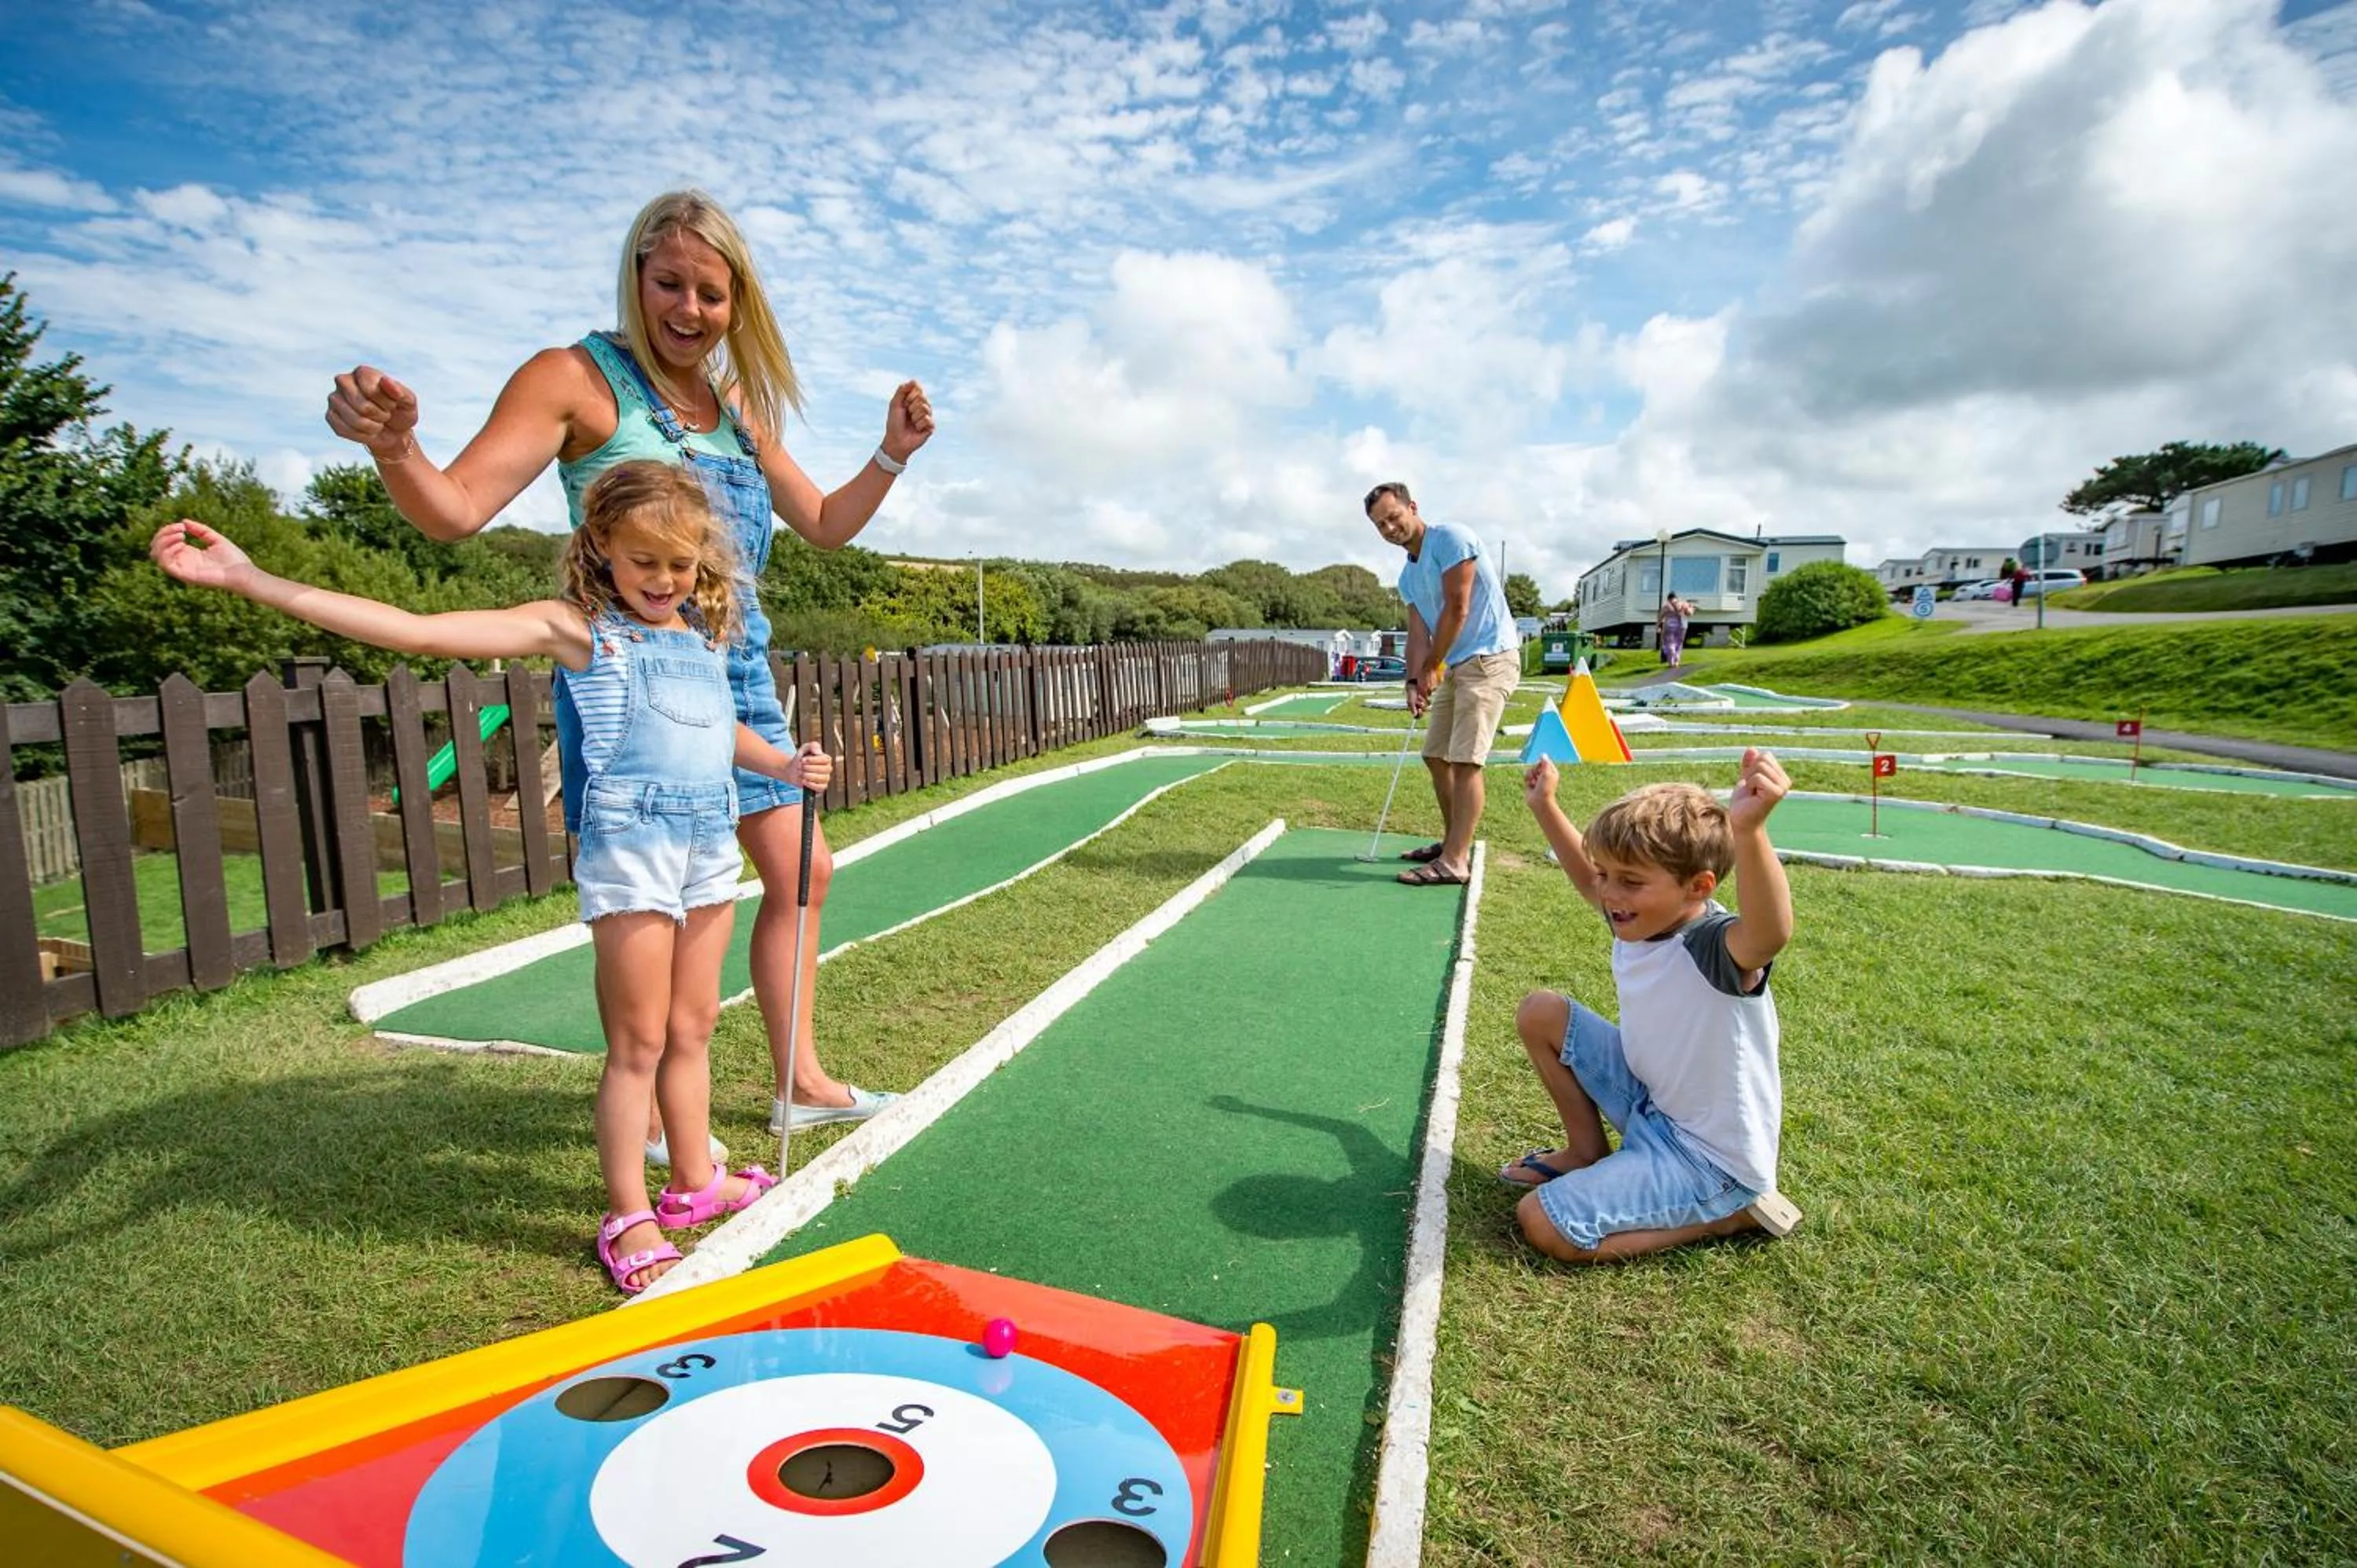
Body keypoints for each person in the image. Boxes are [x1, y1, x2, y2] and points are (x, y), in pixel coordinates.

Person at [324, 189, 929, 1160]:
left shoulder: (733, 405)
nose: (689, 310)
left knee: (802, 868)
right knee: (658, 895)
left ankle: (800, 1083)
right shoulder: (572, 379)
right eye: (670, 284)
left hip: (736, 669)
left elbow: (823, 521)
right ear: (636, 276)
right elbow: (452, 509)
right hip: (643, 682)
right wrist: (397, 448)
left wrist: (889, 457)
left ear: (740, 305)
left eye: (712, 294)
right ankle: (647, 1105)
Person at [152, 461, 836, 1294]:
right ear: (603, 551)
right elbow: (418, 630)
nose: (664, 579)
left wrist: (783, 761)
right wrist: (252, 579)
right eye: (644, 560)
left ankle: (694, 1183)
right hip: (635, 853)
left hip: (705, 851)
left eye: (682, 562)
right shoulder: (575, 629)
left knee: (694, 1025)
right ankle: (629, 1211)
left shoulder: (696, 636)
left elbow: (719, 728)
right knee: (640, 1042)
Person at [1500, 749, 1802, 1263]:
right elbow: (1587, 880)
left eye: (1630, 881)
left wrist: (1749, 832)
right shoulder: (1642, 916)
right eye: (1605, 875)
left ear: (1698, 887)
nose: (1610, 895)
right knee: (1542, 1011)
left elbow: (1769, 934)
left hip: (1707, 1158)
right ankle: (1584, 1152)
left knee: (1545, 1222)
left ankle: (1728, 1213)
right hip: (1653, 1104)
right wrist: (1545, 806)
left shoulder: (1714, 945)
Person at [1363, 482, 1520, 888]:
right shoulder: (1407, 577)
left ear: (1413, 507)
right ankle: (1454, 843)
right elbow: (1419, 633)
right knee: (1436, 755)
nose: (1390, 528)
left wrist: (1434, 665)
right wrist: (1414, 680)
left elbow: (1459, 606)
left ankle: (1455, 861)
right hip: (1455, 664)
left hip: (1489, 659)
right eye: (1381, 525)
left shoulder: (1452, 539)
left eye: (1394, 517)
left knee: (1467, 760)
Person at [1656, 592, 1692, 667]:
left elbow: (1661, 617)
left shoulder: (1666, 606)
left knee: (1670, 643)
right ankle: (1677, 662)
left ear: (1668, 599)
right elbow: (1689, 613)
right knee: (1679, 643)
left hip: (1669, 626)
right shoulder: (1683, 604)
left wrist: (1658, 626)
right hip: (1682, 626)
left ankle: (1671, 663)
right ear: (1676, 597)